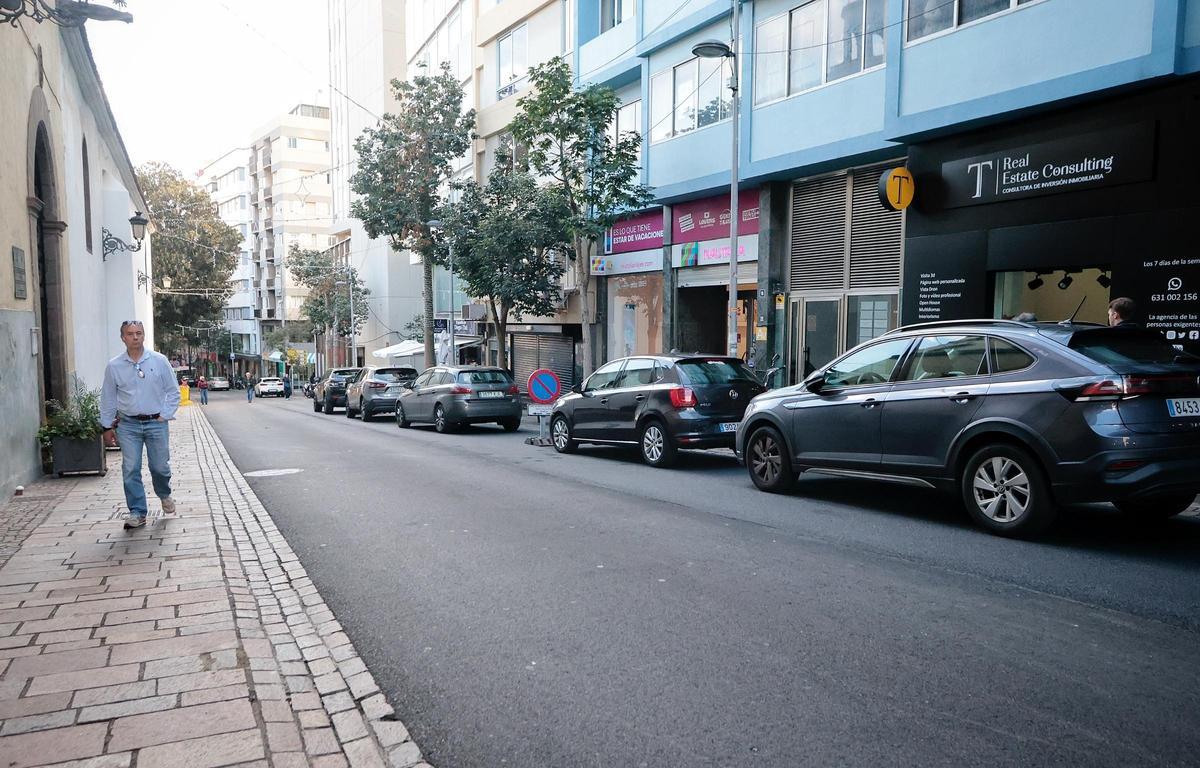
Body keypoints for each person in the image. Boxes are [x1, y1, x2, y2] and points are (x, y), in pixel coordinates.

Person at [100, 320, 180, 530]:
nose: (135, 337)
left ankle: (164, 494)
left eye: (139, 333)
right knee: (130, 468)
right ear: (123, 338)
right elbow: (108, 398)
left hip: (156, 423)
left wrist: (165, 414)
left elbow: (174, 391)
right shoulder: (114, 366)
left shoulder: (159, 361)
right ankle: (137, 511)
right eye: (130, 334)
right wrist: (106, 427)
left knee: (160, 467)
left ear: (144, 336)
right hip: (128, 425)